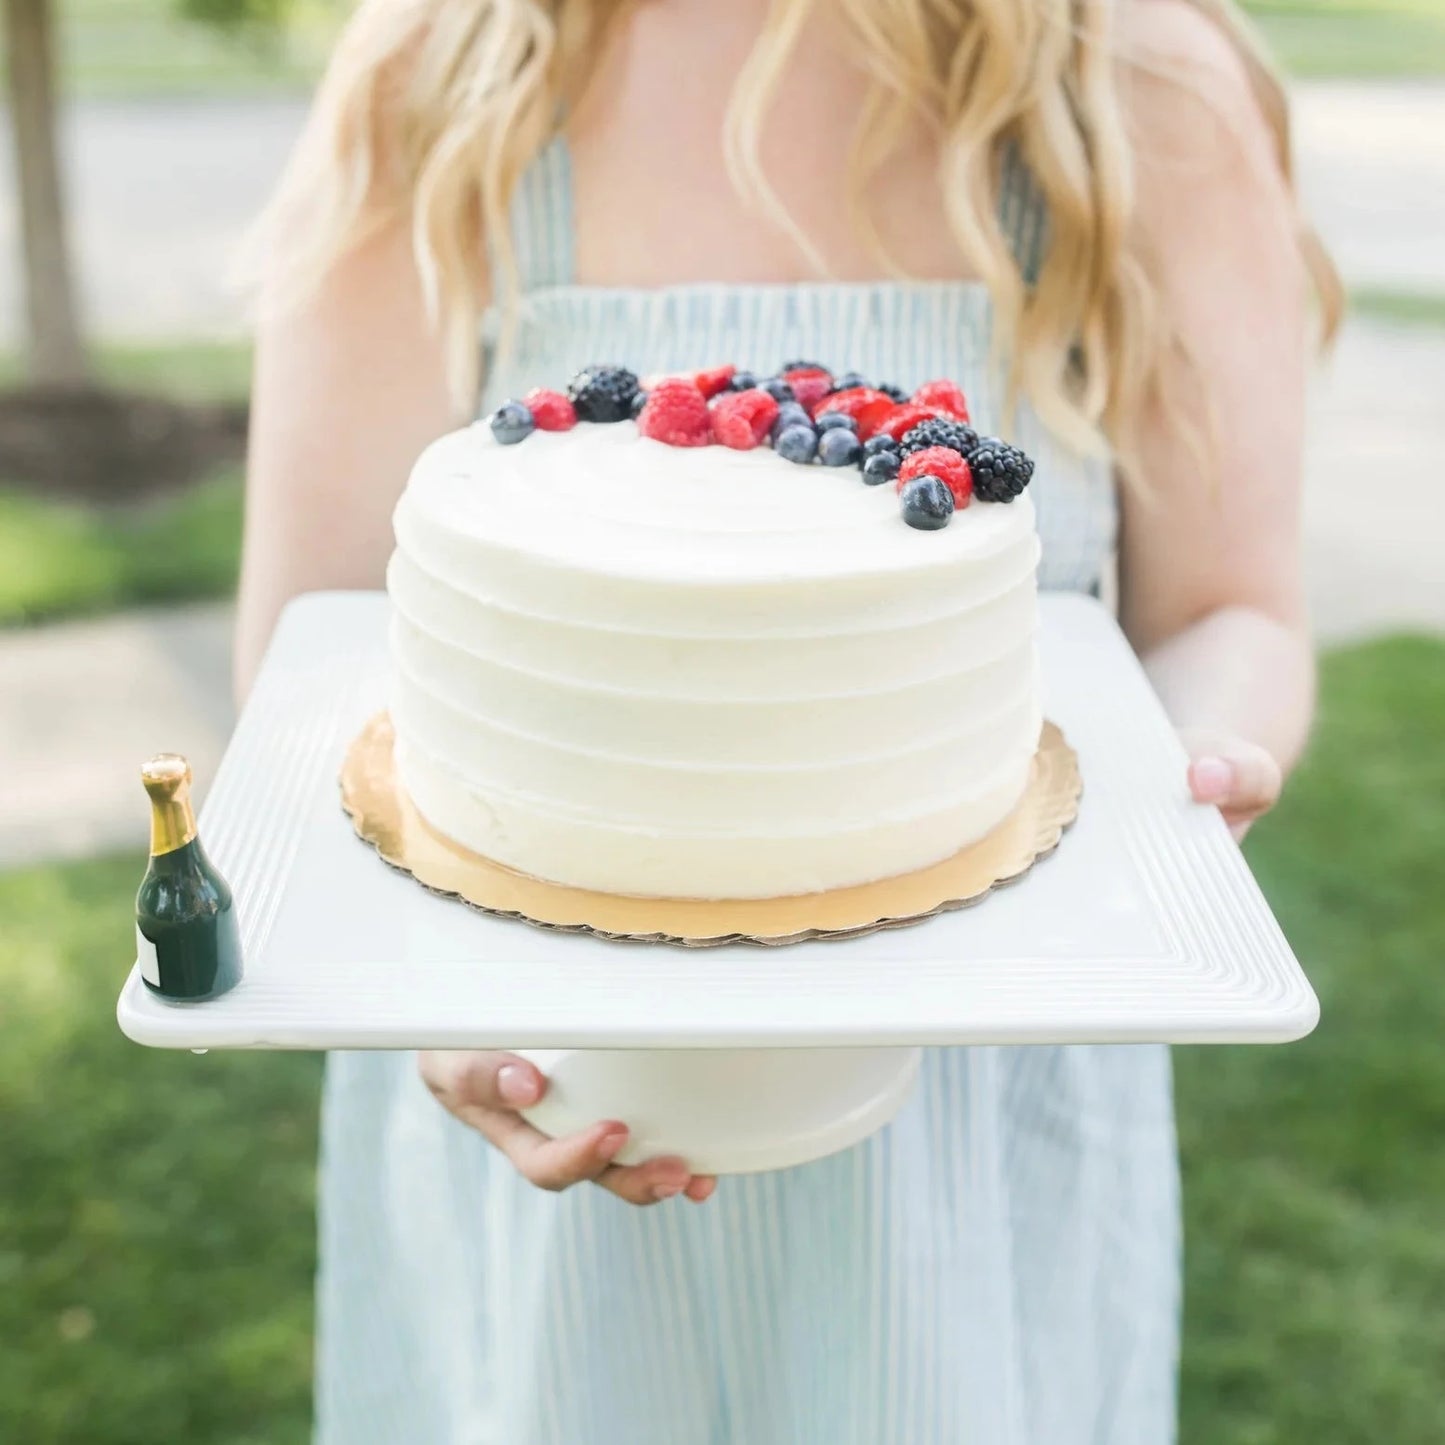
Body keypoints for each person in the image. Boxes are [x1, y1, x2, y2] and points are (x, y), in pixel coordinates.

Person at [235, 1, 1338, 1439]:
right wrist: (428, 1005)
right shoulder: (439, 75)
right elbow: (314, 644)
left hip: (983, 1129)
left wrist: (1179, 784)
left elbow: (1227, 611)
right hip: (544, 1048)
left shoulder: (1131, 86)